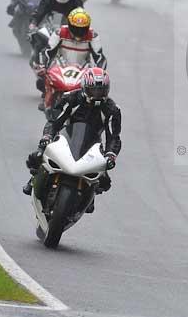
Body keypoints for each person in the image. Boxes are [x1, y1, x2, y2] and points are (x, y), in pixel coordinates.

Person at [23, 67, 121, 210]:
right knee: (38, 154)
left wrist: (110, 155)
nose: (97, 94)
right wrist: (47, 136)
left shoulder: (112, 109)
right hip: (66, 137)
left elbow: (113, 137)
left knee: (104, 181)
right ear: (85, 87)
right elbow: (55, 121)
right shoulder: (71, 98)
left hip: (93, 144)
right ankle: (33, 180)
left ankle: (89, 196)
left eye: (101, 90)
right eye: (94, 90)